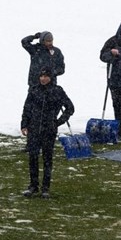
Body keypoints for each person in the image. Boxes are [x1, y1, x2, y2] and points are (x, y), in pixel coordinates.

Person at [20, 69, 74, 199]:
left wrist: (57, 122)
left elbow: (70, 108)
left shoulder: (57, 91)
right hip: (34, 128)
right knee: (33, 157)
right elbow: (27, 108)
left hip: (48, 130)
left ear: (51, 77)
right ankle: (33, 186)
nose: (43, 79)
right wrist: (24, 124)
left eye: (46, 76)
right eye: (41, 76)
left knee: (47, 159)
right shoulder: (34, 90)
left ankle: (45, 188)